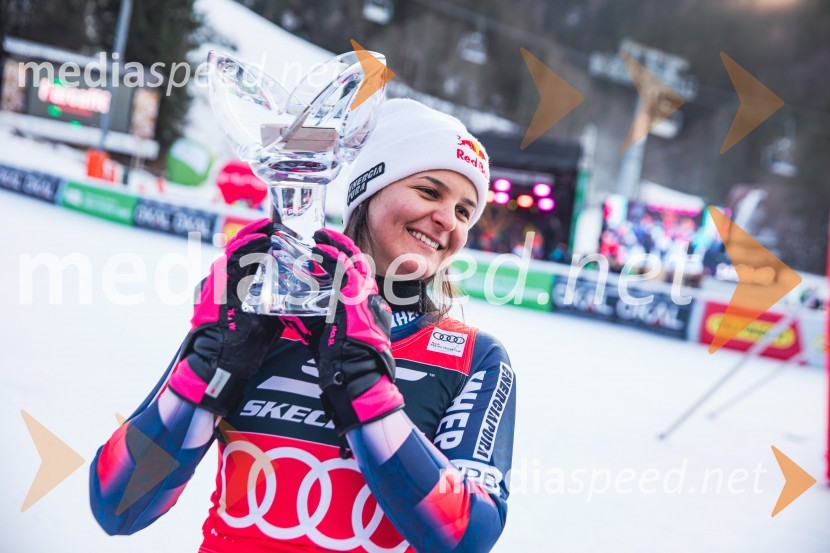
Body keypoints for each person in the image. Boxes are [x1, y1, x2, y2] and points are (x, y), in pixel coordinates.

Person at [89, 99, 517, 553]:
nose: (448, 220)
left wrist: (365, 390)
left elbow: (468, 537)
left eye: (465, 211)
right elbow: (119, 502)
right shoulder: (261, 316)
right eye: (430, 192)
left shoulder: (474, 358)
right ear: (369, 190)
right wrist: (205, 374)